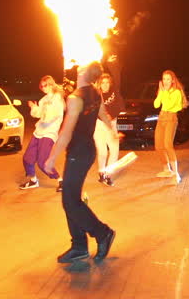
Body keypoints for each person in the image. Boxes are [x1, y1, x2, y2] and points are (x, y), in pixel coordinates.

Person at [43, 60, 116, 264]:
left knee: (70, 201)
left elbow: (65, 134)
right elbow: (103, 114)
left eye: (81, 68)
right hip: (86, 152)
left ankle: (102, 233)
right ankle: (79, 246)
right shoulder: (94, 93)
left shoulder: (76, 98)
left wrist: (50, 159)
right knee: (71, 200)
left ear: (84, 73)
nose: (77, 68)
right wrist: (113, 131)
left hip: (77, 152)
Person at [20, 74, 65, 190]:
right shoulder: (43, 100)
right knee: (27, 158)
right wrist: (33, 108)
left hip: (49, 133)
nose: (44, 88)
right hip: (39, 131)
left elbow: (56, 115)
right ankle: (33, 180)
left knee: (42, 162)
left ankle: (61, 180)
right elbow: (39, 114)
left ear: (51, 85)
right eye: (42, 86)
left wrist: (46, 117)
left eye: (46, 85)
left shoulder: (57, 98)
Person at [95, 56, 125, 186]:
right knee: (102, 152)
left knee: (114, 151)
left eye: (107, 82)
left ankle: (107, 174)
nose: (105, 85)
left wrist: (112, 62)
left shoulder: (114, 91)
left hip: (112, 123)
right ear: (99, 84)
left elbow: (117, 74)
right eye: (103, 83)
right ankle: (102, 173)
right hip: (99, 125)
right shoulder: (96, 96)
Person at [154, 70, 188, 181]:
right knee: (158, 146)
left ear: (173, 80)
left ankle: (176, 174)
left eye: (168, 79)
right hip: (161, 118)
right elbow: (156, 104)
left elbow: (168, 105)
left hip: (171, 118)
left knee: (168, 145)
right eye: (164, 79)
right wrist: (161, 93)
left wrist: (164, 93)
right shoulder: (162, 90)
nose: (166, 81)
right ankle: (166, 170)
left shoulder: (176, 92)